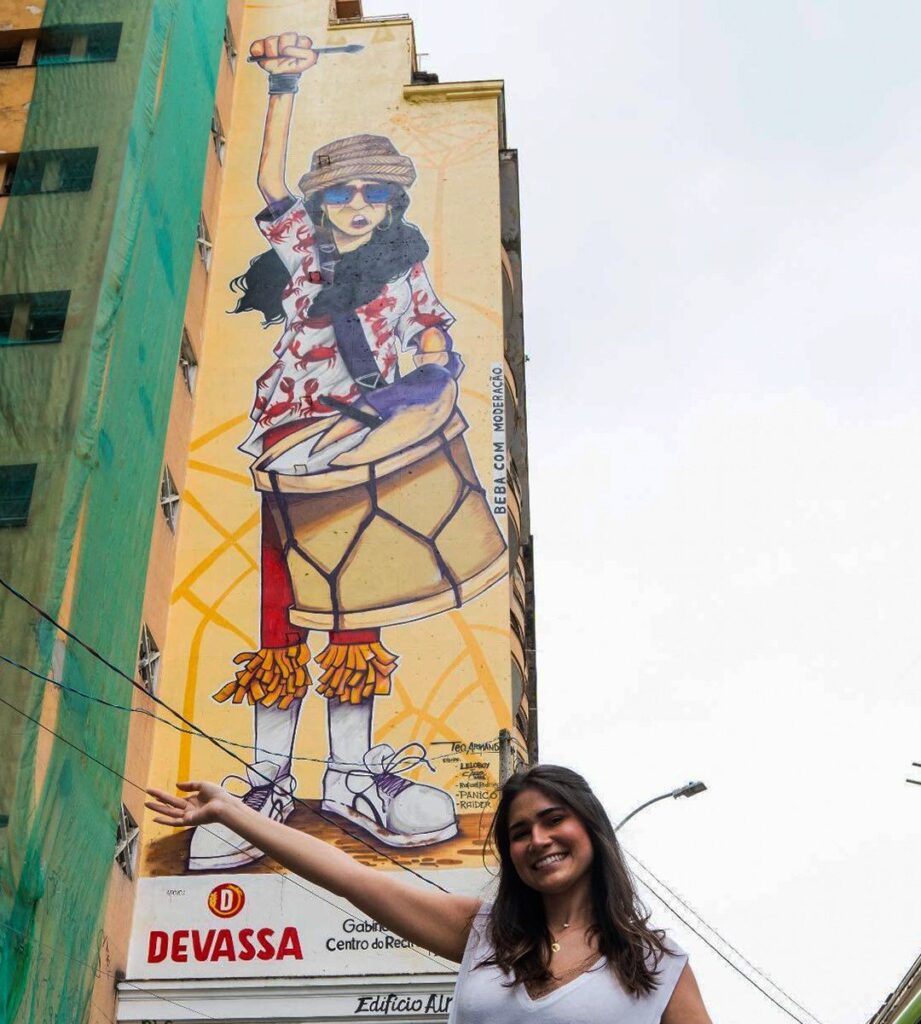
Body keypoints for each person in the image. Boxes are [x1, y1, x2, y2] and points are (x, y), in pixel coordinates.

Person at [189, 32, 506, 869]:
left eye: (373, 193)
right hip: (291, 447)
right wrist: (285, 84)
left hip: (365, 444)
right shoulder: (305, 254)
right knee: (281, 615)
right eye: (342, 194)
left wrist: (417, 386)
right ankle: (264, 781)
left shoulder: (406, 272)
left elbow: (434, 339)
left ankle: (351, 777)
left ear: (392, 203)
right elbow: (266, 180)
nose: (357, 205)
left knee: (355, 613)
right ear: (324, 203)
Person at [147, 764, 713, 1022]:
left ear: (590, 828)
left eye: (553, 820)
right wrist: (234, 812)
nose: (538, 840)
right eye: (519, 832)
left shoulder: (656, 965)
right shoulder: (484, 933)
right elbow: (348, 876)